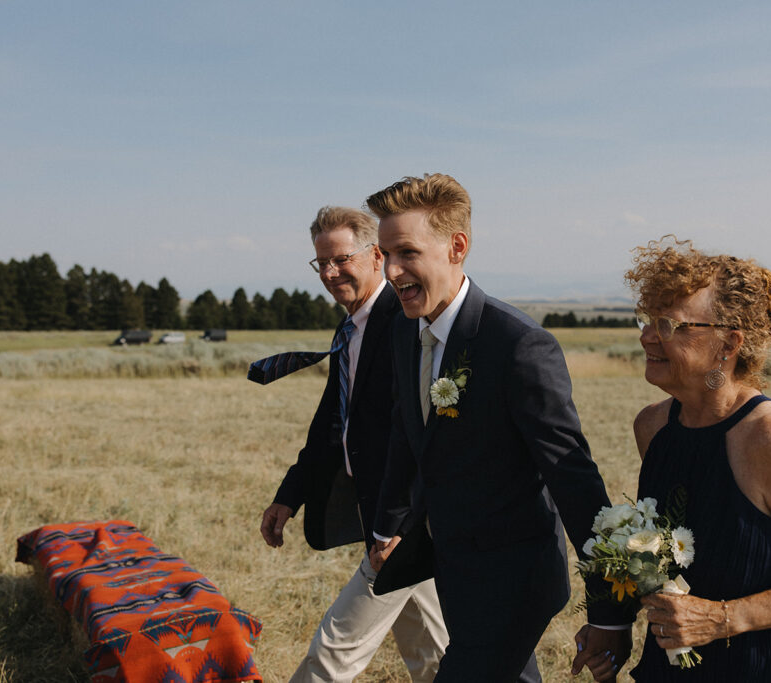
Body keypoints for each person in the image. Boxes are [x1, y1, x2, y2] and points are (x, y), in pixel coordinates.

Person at [364, 174, 629, 682]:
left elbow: (573, 478)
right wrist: (388, 525)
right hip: (455, 568)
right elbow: (407, 429)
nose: (392, 271)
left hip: (516, 579)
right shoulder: (403, 329)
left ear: (456, 246)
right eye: (384, 254)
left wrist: (609, 609)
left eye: (406, 253)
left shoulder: (517, 346)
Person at [608, 236, 771, 681]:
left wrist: (724, 619)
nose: (646, 336)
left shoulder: (769, 438)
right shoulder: (652, 427)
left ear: (728, 345)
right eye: (647, 319)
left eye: (670, 325)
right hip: (680, 665)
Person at [257, 206, 448, 682]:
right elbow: (332, 423)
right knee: (431, 652)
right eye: (320, 262)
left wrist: (398, 524)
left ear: (375, 255)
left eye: (340, 259)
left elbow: (421, 436)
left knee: (334, 649)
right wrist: (290, 494)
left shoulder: (406, 323)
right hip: (378, 515)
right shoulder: (350, 327)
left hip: (402, 523)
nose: (328, 272)